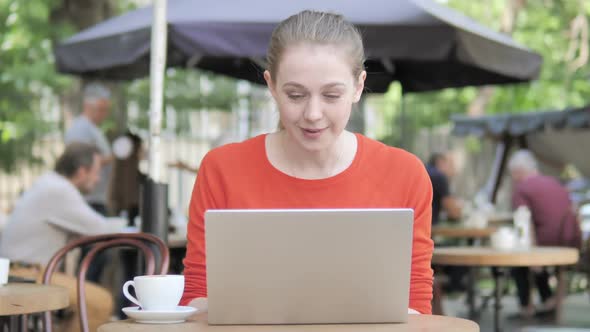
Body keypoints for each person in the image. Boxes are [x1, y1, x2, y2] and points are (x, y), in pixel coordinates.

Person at [180, 11, 434, 314]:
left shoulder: (404, 174)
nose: (313, 113)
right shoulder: (222, 169)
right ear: (271, 86)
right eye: (296, 95)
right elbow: (197, 295)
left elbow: (416, 306)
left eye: (331, 95)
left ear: (357, 87)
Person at [508, 149, 582, 318]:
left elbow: (524, 224)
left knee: (518, 261)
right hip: (569, 241)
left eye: (513, 174)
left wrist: (532, 253)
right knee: (530, 260)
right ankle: (548, 299)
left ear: (519, 171)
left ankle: (526, 307)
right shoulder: (555, 182)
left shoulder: (522, 189)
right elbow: (573, 211)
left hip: (545, 243)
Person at [65, 82, 113, 216]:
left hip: (95, 198)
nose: (105, 114)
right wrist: (110, 158)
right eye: (101, 109)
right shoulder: (80, 128)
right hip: (87, 200)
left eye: (106, 109)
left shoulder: (94, 129)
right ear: (87, 106)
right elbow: (78, 161)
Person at [426, 152, 462, 225]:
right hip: (428, 227)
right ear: (440, 162)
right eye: (451, 165)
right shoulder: (439, 176)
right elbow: (453, 212)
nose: (454, 170)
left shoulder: (425, 171)